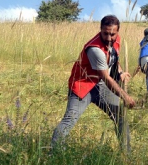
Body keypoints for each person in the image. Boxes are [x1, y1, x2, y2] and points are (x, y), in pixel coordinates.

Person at [51, 15, 136, 152]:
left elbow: (114, 59)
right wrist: (125, 96)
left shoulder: (116, 40)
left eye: (112, 34)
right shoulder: (95, 49)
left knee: (121, 116)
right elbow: (106, 78)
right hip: (82, 85)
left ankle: (127, 154)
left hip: (100, 84)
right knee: (70, 119)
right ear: (100, 29)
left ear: (117, 32)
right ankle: (54, 153)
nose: (109, 38)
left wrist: (120, 73)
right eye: (105, 33)